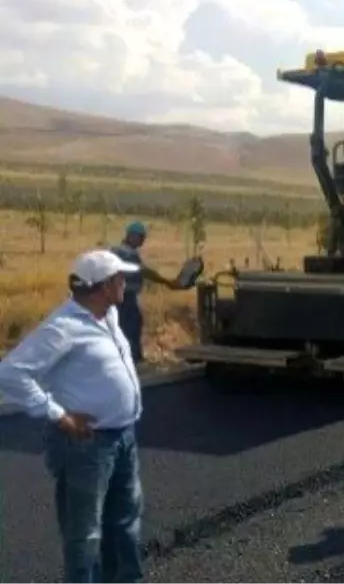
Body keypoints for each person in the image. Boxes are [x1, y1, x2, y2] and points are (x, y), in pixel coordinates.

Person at [0, 249, 146, 584]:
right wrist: (58, 414)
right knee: (86, 536)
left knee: (124, 524)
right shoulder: (63, 327)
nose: (126, 283)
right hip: (86, 446)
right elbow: (10, 373)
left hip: (123, 438)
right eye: (120, 278)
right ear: (104, 286)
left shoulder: (107, 317)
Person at [111, 221, 187, 365]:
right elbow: (145, 271)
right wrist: (168, 282)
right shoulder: (127, 253)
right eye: (141, 237)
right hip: (125, 297)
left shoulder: (115, 250)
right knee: (131, 326)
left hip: (114, 296)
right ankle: (133, 359)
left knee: (122, 326)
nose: (142, 241)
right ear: (132, 236)